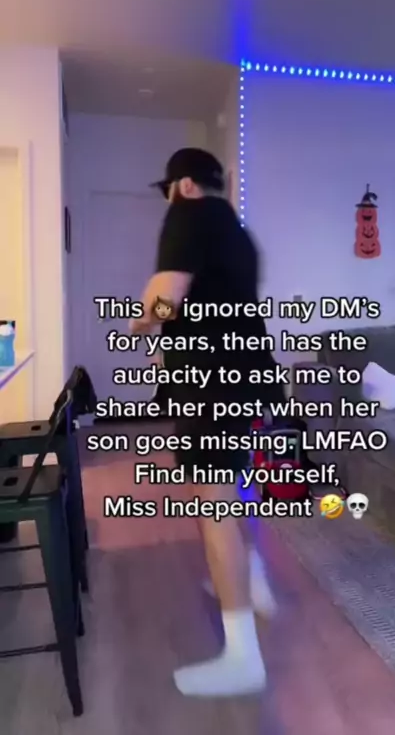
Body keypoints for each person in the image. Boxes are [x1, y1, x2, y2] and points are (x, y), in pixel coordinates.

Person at [130, 148, 285, 697]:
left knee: (211, 502)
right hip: (245, 380)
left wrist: (141, 322)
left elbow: (166, 298)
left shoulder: (187, 216)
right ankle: (250, 577)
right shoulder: (239, 235)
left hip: (211, 386)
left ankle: (243, 657)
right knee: (227, 487)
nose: (167, 200)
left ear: (185, 185)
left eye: (168, 190)